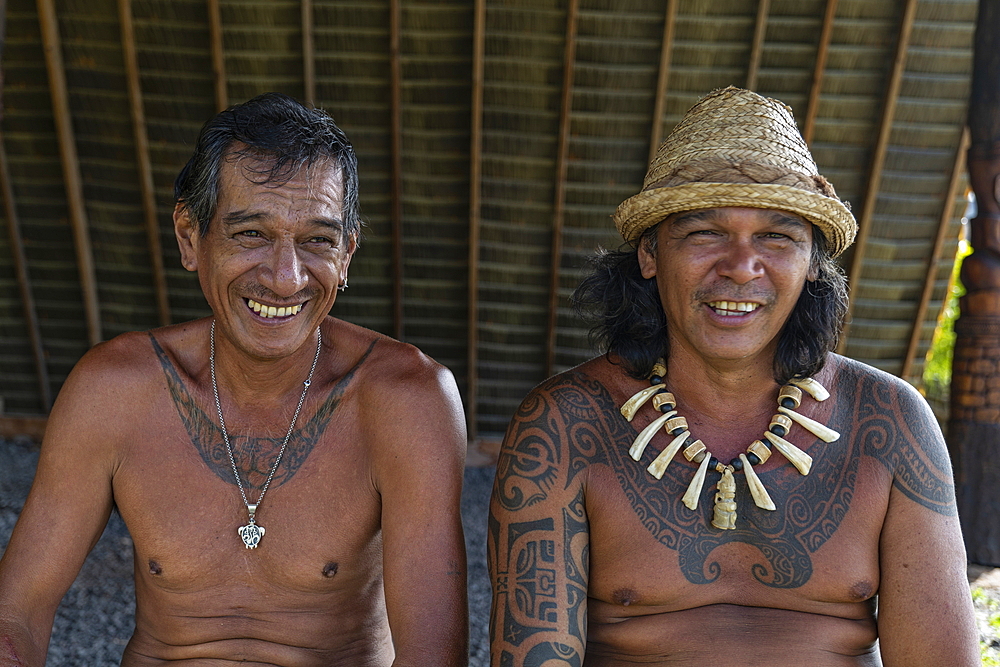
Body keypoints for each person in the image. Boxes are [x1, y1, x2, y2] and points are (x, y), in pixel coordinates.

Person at [487, 87, 979, 666]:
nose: (742, 267)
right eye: (706, 233)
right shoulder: (565, 424)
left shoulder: (888, 419)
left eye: (777, 236)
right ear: (649, 253)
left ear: (812, 264)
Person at [0, 92, 468, 666]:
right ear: (190, 237)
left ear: (347, 254)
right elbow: (14, 614)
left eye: (317, 240)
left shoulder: (406, 400)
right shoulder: (115, 390)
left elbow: (432, 657)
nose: (284, 277)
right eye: (251, 235)